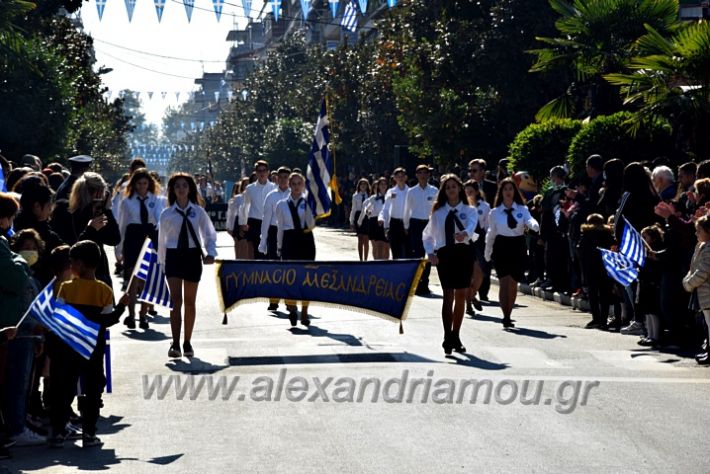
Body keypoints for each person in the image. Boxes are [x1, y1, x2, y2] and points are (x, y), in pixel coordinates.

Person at [46, 241, 128, 448]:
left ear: (80, 264)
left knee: (64, 389)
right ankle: (89, 432)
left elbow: (60, 317)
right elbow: (107, 321)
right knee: (92, 389)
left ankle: (58, 430)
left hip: (68, 348)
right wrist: (122, 307)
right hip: (93, 348)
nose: (70, 265)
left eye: (72, 262)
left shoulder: (65, 288)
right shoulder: (104, 290)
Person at [158, 173, 217, 359]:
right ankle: (175, 342)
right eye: (177, 186)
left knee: (190, 302)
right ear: (172, 191)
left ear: (190, 188)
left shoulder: (198, 211)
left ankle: (187, 341)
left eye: (184, 186)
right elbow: (161, 241)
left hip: (192, 256)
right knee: (176, 301)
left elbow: (209, 233)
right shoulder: (166, 213)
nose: (181, 189)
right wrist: (162, 263)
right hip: (173, 256)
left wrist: (211, 252)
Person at [423, 174, 477, 354]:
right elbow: (428, 235)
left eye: (454, 186)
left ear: (460, 189)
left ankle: (456, 335)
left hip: (463, 253)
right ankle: (447, 336)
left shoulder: (469, 210)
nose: (451, 190)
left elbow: (471, 226)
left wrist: (465, 234)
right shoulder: (438, 212)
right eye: (447, 187)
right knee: (448, 295)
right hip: (445, 254)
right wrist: (430, 253)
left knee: (461, 294)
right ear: (444, 191)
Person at [485, 178, 540, 329]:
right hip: (502, 246)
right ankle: (506, 316)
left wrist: (534, 225)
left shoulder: (522, 209)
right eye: (505, 189)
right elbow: (491, 233)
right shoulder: (494, 212)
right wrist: (487, 251)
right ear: (501, 192)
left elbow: (529, 220)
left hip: (517, 245)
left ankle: (509, 312)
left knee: (513, 282)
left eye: (511, 189)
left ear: (514, 191)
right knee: (504, 281)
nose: (508, 192)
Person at [50, 172, 121, 290]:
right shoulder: (65, 211)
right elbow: (71, 244)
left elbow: (114, 239)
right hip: (76, 269)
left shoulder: (99, 213)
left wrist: (107, 210)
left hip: (98, 269)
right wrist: (91, 229)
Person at [117, 168, 164, 329]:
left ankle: (143, 315)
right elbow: (122, 225)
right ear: (134, 184)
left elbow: (159, 219)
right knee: (132, 278)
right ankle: (131, 315)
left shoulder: (157, 200)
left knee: (146, 278)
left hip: (149, 235)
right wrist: (119, 248)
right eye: (139, 183)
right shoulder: (127, 201)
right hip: (133, 236)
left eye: (145, 183)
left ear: (149, 184)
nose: (142, 186)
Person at [275, 172, 316, 327]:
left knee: (307, 277)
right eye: (294, 184)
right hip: (289, 241)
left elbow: (311, 225)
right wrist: (279, 246)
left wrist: (309, 210)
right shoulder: (281, 205)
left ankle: (304, 311)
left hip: (306, 240)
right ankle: (292, 308)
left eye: (300, 184)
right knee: (289, 277)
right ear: (289, 185)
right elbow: (280, 227)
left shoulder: (308, 203)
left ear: (303, 185)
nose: (296, 187)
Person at [258, 166, 291, 312]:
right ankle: (273, 299)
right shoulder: (271, 196)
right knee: (274, 267)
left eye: (286, 177)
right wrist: (263, 240)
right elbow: (266, 219)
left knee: (290, 267)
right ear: (276, 178)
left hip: (290, 233)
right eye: (281, 177)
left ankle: (290, 300)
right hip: (274, 231)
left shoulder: (296, 195)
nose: (283, 179)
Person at [404, 165, 438, 295]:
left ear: (429, 175)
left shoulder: (434, 190)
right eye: (420, 173)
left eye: (426, 173)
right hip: (416, 224)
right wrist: (406, 225)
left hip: (429, 224)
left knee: (429, 254)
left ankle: (425, 283)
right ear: (416, 175)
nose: (423, 175)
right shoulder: (411, 191)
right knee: (417, 254)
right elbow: (407, 210)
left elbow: (438, 209)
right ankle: (416, 283)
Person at [577, 214, 615, 329]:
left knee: (593, 294)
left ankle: (596, 318)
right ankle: (604, 319)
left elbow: (581, 251)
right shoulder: (608, 234)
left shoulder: (586, 234)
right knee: (605, 294)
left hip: (590, 268)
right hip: (605, 267)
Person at [683, 215, 710, 365]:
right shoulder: (700, 246)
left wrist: (689, 283)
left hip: (708, 292)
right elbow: (693, 268)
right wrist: (687, 280)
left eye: (699, 230)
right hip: (703, 294)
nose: (696, 233)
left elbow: (703, 271)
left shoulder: (709, 248)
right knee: (707, 324)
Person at [239, 161, 277, 259]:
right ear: (255, 172)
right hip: (255, 222)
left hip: (270, 223)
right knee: (258, 251)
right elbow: (245, 206)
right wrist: (243, 223)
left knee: (271, 250)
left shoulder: (274, 187)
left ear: (268, 172)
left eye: (264, 170)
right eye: (259, 171)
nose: (262, 173)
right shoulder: (250, 188)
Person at [463, 180, 490, 315]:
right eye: (466, 191)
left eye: (471, 191)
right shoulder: (461, 206)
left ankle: (472, 295)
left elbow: (486, 225)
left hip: (479, 240)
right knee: (468, 274)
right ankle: (468, 304)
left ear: (476, 191)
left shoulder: (484, 206)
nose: (468, 194)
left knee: (479, 274)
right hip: (465, 240)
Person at [378, 167, 410, 259]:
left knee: (407, 251)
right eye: (398, 176)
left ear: (406, 177)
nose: (400, 178)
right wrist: (381, 218)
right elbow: (386, 208)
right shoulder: (391, 192)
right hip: (395, 223)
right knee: (395, 250)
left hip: (407, 223)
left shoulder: (410, 191)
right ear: (394, 178)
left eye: (402, 176)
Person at [360, 177, 389, 260]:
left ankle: (385, 265)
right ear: (378, 186)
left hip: (387, 222)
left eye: (385, 184)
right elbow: (367, 208)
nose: (383, 186)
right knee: (378, 246)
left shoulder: (390, 196)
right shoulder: (373, 198)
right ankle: (377, 264)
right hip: (376, 222)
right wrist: (368, 212)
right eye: (381, 184)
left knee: (386, 247)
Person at [226, 177, 251, 259]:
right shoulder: (238, 198)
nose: (247, 186)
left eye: (249, 184)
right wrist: (230, 227)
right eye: (245, 185)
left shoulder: (254, 196)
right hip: (239, 223)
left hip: (250, 222)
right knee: (239, 244)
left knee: (248, 247)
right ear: (242, 186)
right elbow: (231, 213)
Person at [349, 178, 371, 262]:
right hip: (358, 216)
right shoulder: (355, 196)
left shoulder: (369, 195)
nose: (363, 186)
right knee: (360, 238)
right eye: (362, 184)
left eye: (365, 184)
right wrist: (351, 221)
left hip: (366, 216)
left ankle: (365, 259)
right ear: (359, 186)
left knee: (366, 238)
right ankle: (361, 259)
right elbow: (353, 209)